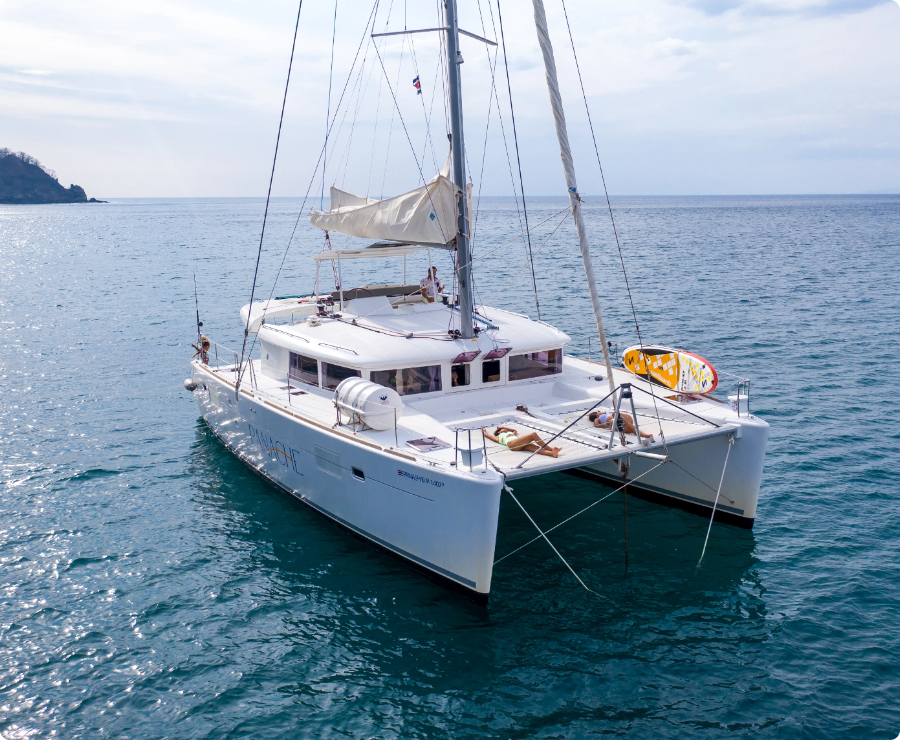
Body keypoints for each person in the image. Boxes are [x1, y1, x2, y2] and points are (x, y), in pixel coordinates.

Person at [482, 425, 562, 459]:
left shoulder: (510, 433)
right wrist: (484, 431)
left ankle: (552, 454)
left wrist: (504, 427)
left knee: (534, 447)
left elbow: (514, 430)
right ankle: (550, 449)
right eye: (502, 429)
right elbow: (487, 435)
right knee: (533, 435)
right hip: (512, 444)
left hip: (518, 444)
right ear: (499, 432)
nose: (505, 429)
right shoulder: (498, 437)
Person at [588, 410, 654, 440]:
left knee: (615, 413)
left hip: (623, 419)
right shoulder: (598, 418)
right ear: (596, 414)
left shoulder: (607, 413)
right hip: (618, 423)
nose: (600, 411)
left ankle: (629, 424)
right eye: (598, 411)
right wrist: (607, 426)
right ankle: (645, 435)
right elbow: (596, 425)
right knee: (632, 430)